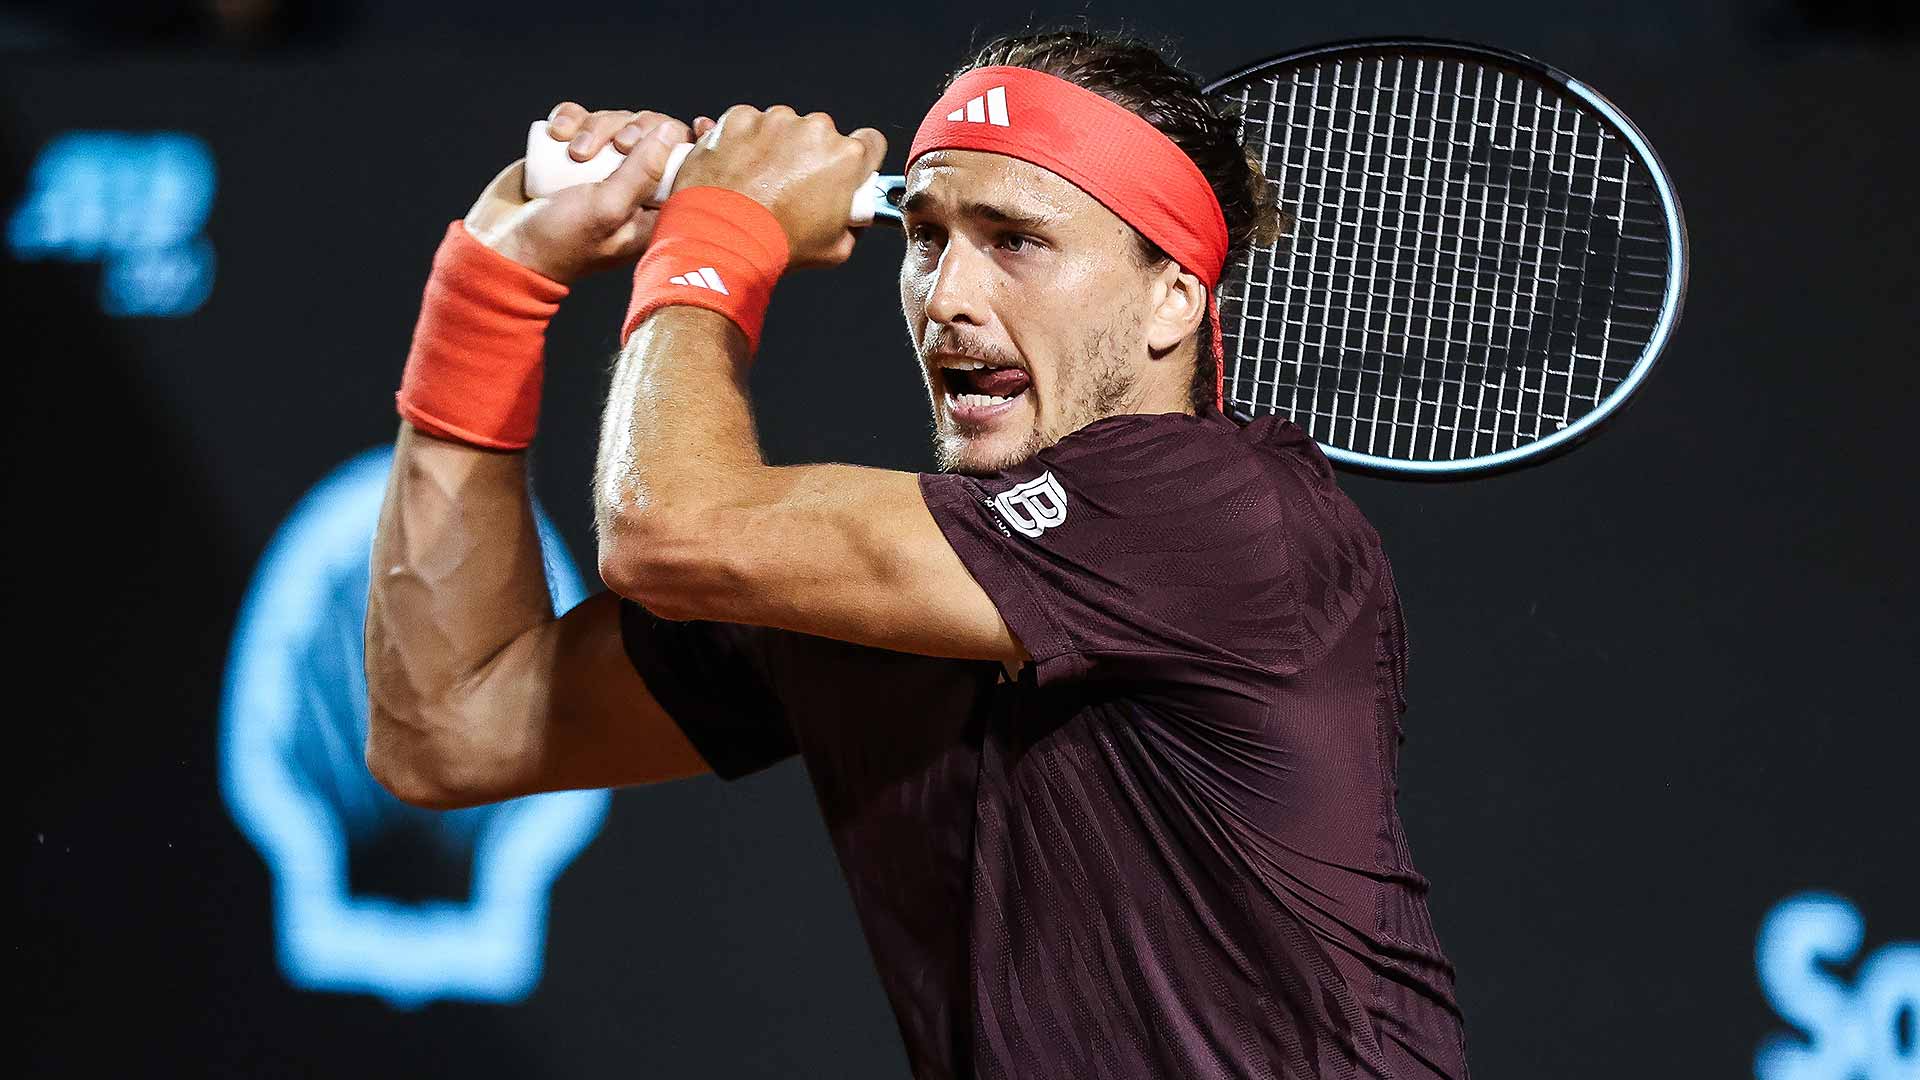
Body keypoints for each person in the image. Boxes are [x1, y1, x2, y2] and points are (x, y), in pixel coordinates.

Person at [365, 28, 1470, 1080]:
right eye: (929, 236)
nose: (948, 299)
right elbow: (448, 729)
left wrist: (717, 233)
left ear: (1173, 297)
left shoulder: (1228, 513)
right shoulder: (880, 583)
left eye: (1016, 241)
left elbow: (666, 529)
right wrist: (493, 290)